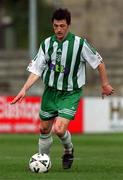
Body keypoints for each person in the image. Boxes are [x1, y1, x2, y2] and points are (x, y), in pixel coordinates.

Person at [10, 8, 114, 169]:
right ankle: (42, 161)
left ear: (68, 26)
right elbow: (36, 70)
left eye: (62, 26)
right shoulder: (46, 44)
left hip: (70, 92)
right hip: (50, 92)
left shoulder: (80, 44)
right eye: (56, 26)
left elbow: (99, 63)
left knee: (59, 129)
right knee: (44, 128)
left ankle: (68, 149)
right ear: (53, 25)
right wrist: (24, 89)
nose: (59, 29)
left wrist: (105, 84)